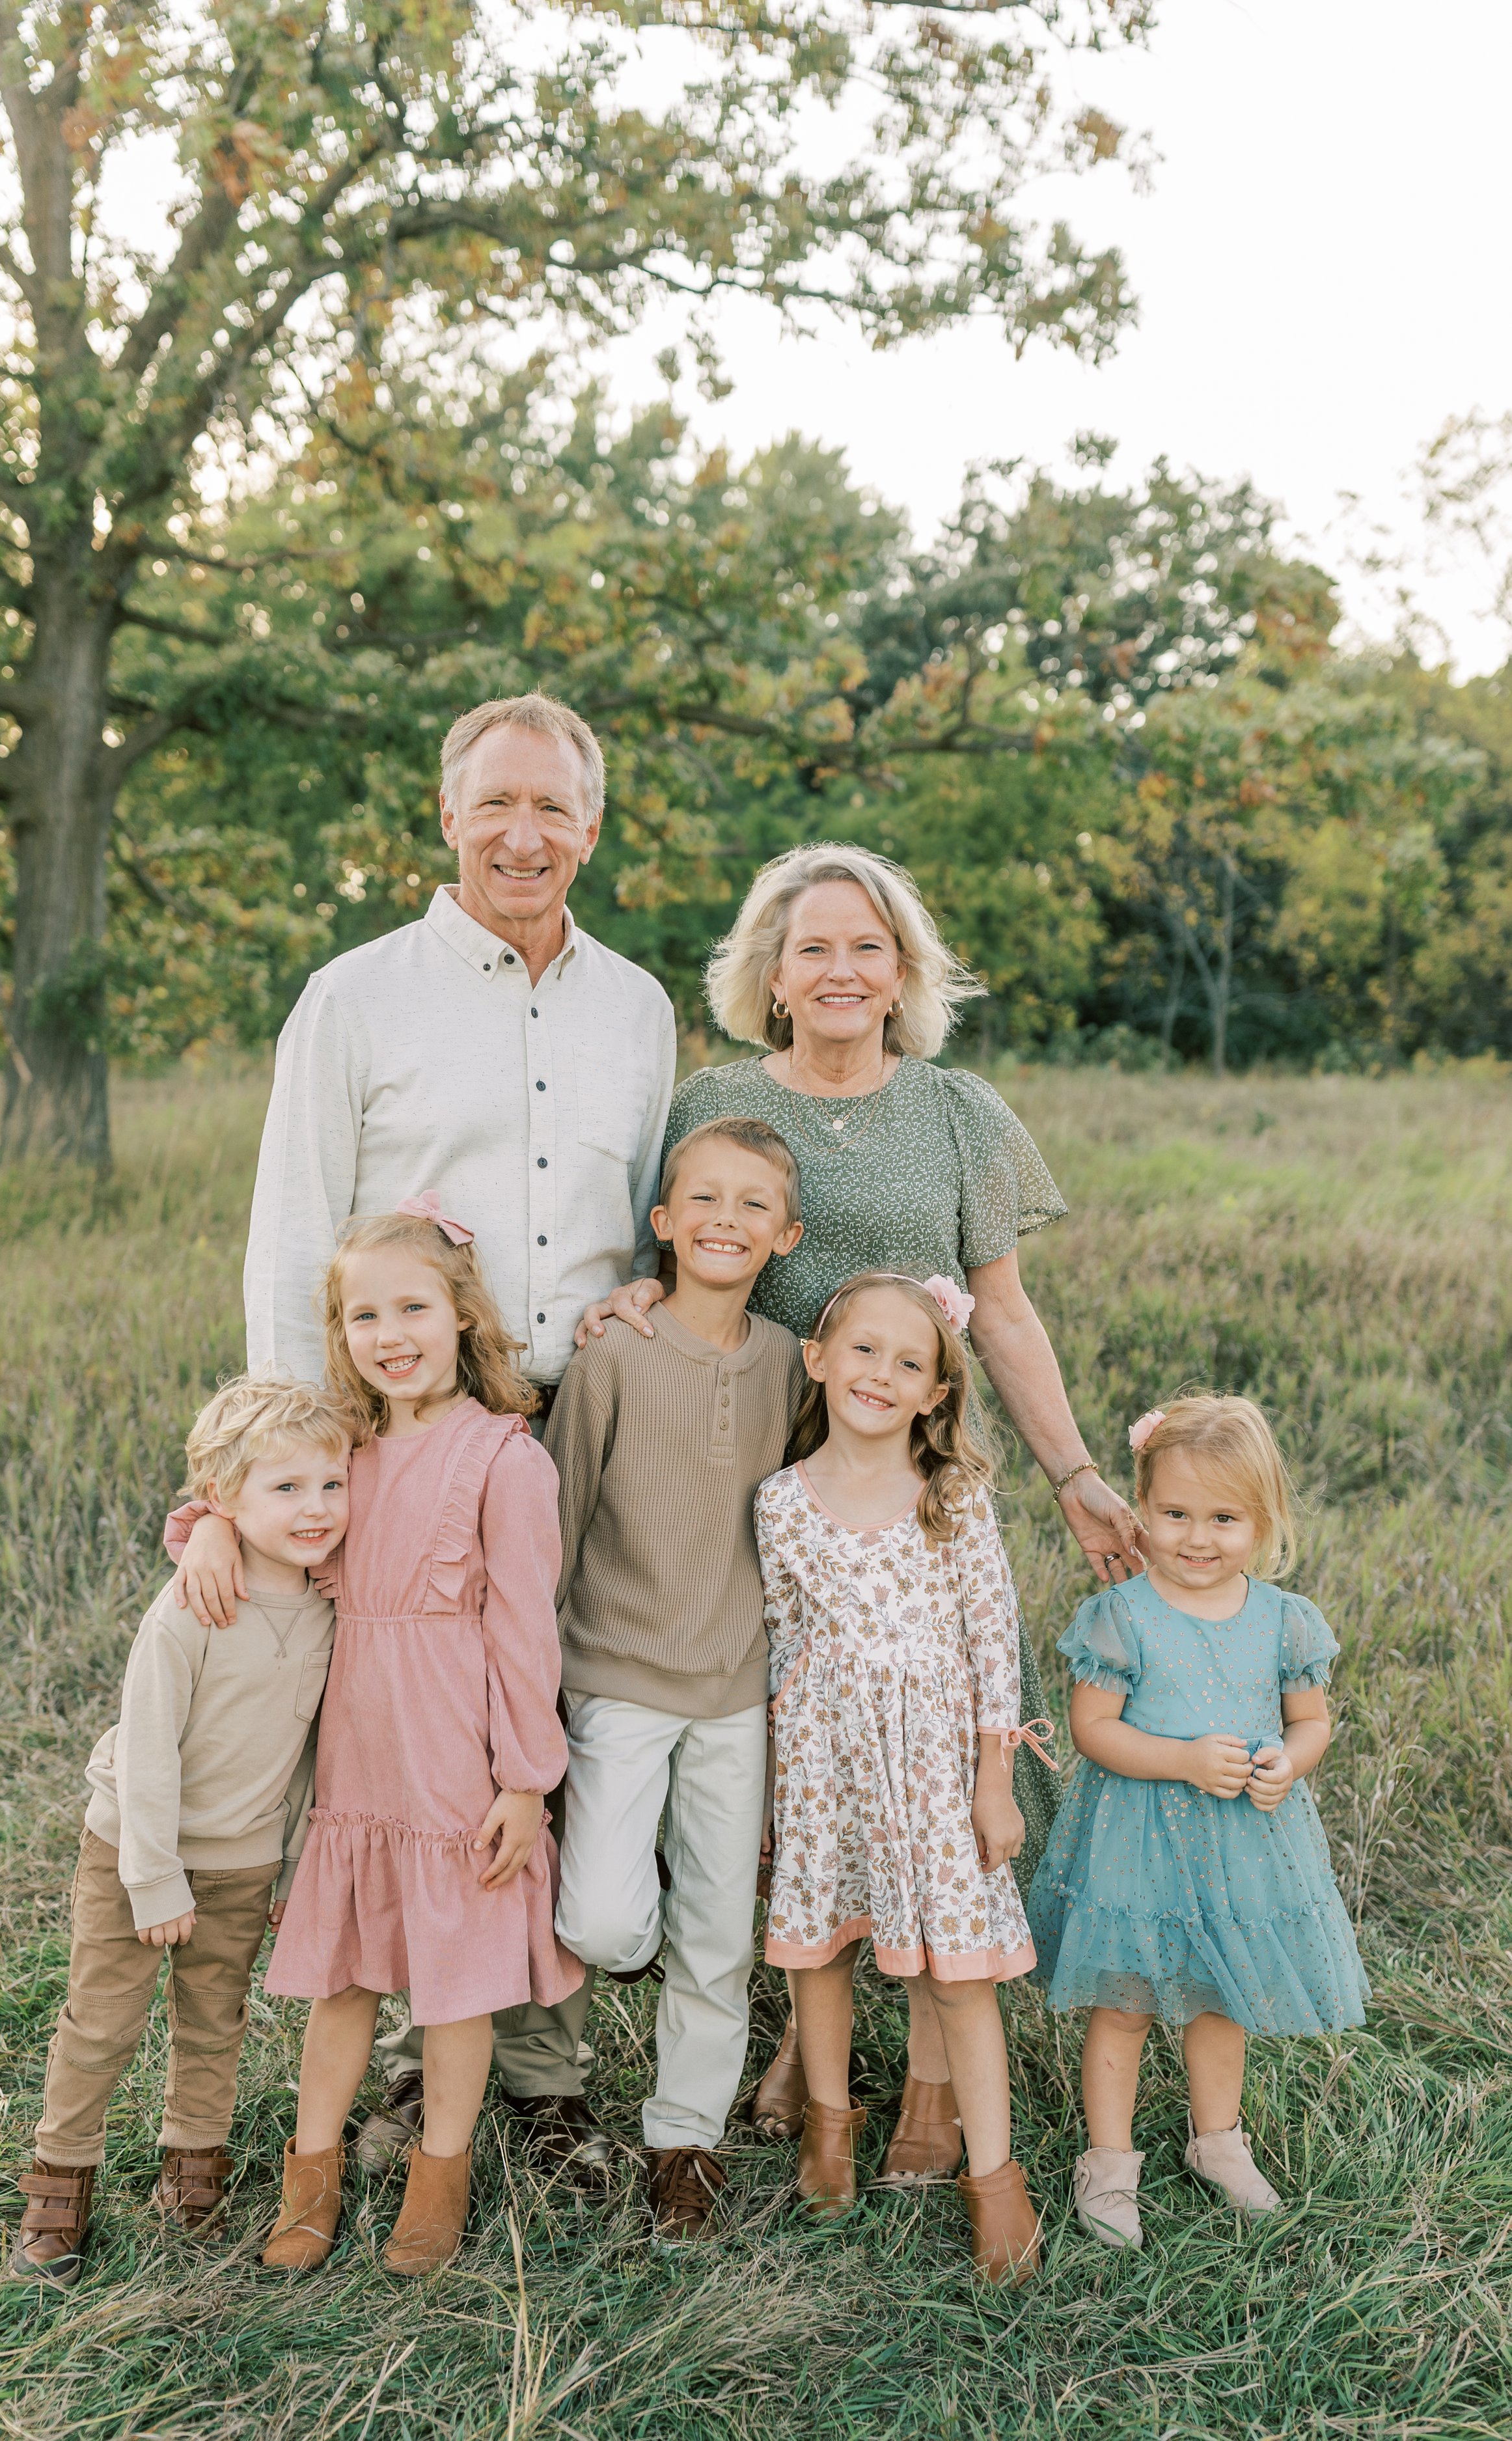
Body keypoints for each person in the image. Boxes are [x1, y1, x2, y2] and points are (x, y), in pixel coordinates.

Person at [172, 692, 676, 2186]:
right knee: (404, 1739)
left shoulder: (636, 1008)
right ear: (446, 817)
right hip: (399, 1428)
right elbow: (289, 1242)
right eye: (496, 803)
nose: (525, 834)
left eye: (554, 808)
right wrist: (265, 1478)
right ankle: (408, 2060)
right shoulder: (355, 997)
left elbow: (644, 1220)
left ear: (590, 828)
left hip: (580, 1429)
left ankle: (544, 2068)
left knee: (556, 1718)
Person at [583, 841, 1141, 2181]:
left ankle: (937, 2081)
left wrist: (1071, 1472)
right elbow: (674, 1241)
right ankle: (800, 2028)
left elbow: (997, 1312)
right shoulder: (709, 1097)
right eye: (812, 947)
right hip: (743, 1486)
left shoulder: (954, 1111)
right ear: (770, 976)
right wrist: (628, 1300)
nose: (841, 969)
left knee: (933, 1765)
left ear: (902, 972)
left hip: (906, 1484)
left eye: (866, 947)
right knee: (793, 1766)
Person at [238, 1198, 583, 2276]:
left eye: (411, 1309)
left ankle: (440, 2178)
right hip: (357, 1762)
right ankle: (312, 2178)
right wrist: (201, 1532)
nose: (388, 1334)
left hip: (455, 1767)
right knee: (343, 1983)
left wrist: (526, 1780)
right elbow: (252, 1503)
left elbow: (528, 1634)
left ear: (462, 1314)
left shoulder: (505, 1459)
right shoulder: (341, 1452)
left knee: (455, 1988)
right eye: (361, 1316)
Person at [8, 1376, 351, 2285]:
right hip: (138, 1853)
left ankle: (191, 2164)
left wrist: (287, 1872)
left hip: (242, 1860)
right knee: (104, 2018)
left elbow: (312, 1755)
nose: (314, 1508)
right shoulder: (195, 1605)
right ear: (224, 1501)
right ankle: (59, 2175)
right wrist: (152, 1876)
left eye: (331, 1482)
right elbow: (151, 1748)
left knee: (214, 2018)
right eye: (285, 1488)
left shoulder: (331, 1603)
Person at [1027, 1396, 1369, 2251]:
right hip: (1137, 1843)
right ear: (1140, 1510)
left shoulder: (1283, 1618)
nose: (1196, 1537)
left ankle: (1218, 2140)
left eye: (1224, 1517)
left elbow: (1312, 1720)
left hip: (1241, 1845)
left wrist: (1289, 1761)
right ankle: (1108, 2161)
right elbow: (1093, 1729)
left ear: (1264, 1519)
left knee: (1222, 1998)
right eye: (1174, 1513)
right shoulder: (1124, 1615)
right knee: (1127, 2002)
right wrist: (1180, 1758)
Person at [545, 1116, 806, 2240]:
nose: (725, 1222)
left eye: (754, 1206)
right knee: (602, 1924)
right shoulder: (612, 1352)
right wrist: (532, 1682)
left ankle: (683, 2141)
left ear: (785, 1236)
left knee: (722, 1931)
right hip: (615, 1667)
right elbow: (555, 1517)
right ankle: (637, 1916)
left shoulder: (792, 1361)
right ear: (662, 1223)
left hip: (738, 1682)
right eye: (703, 1200)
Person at [758, 1272, 1045, 2283]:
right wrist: (777, 1786)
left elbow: (993, 1643)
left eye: (909, 1361)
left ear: (936, 1391)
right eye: (864, 1350)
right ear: (819, 1358)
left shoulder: (952, 1497)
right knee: (822, 1950)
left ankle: (996, 2176)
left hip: (933, 1764)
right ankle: (829, 2129)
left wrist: (993, 1778)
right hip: (826, 1762)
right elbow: (782, 1647)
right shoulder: (782, 1503)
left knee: (958, 1972)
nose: (881, 1373)